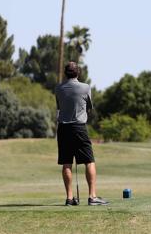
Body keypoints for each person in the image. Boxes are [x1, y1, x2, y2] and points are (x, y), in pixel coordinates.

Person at [55, 62, 109, 206]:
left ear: (66, 73)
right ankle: (92, 197)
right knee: (89, 161)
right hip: (79, 127)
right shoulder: (85, 87)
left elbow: (60, 107)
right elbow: (89, 108)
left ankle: (69, 198)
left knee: (66, 162)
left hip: (63, 129)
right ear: (78, 73)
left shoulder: (58, 88)